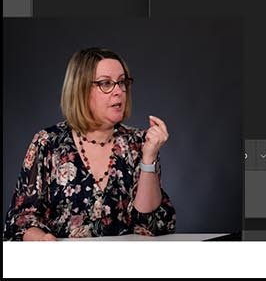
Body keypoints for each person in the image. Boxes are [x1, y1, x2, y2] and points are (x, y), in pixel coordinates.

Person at [5, 47, 174, 240]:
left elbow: (149, 225)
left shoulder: (139, 143)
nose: (118, 91)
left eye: (122, 82)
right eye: (106, 83)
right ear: (81, 90)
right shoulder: (48, 143)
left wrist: (149, 158)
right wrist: (42, 240)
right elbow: (21, 219)